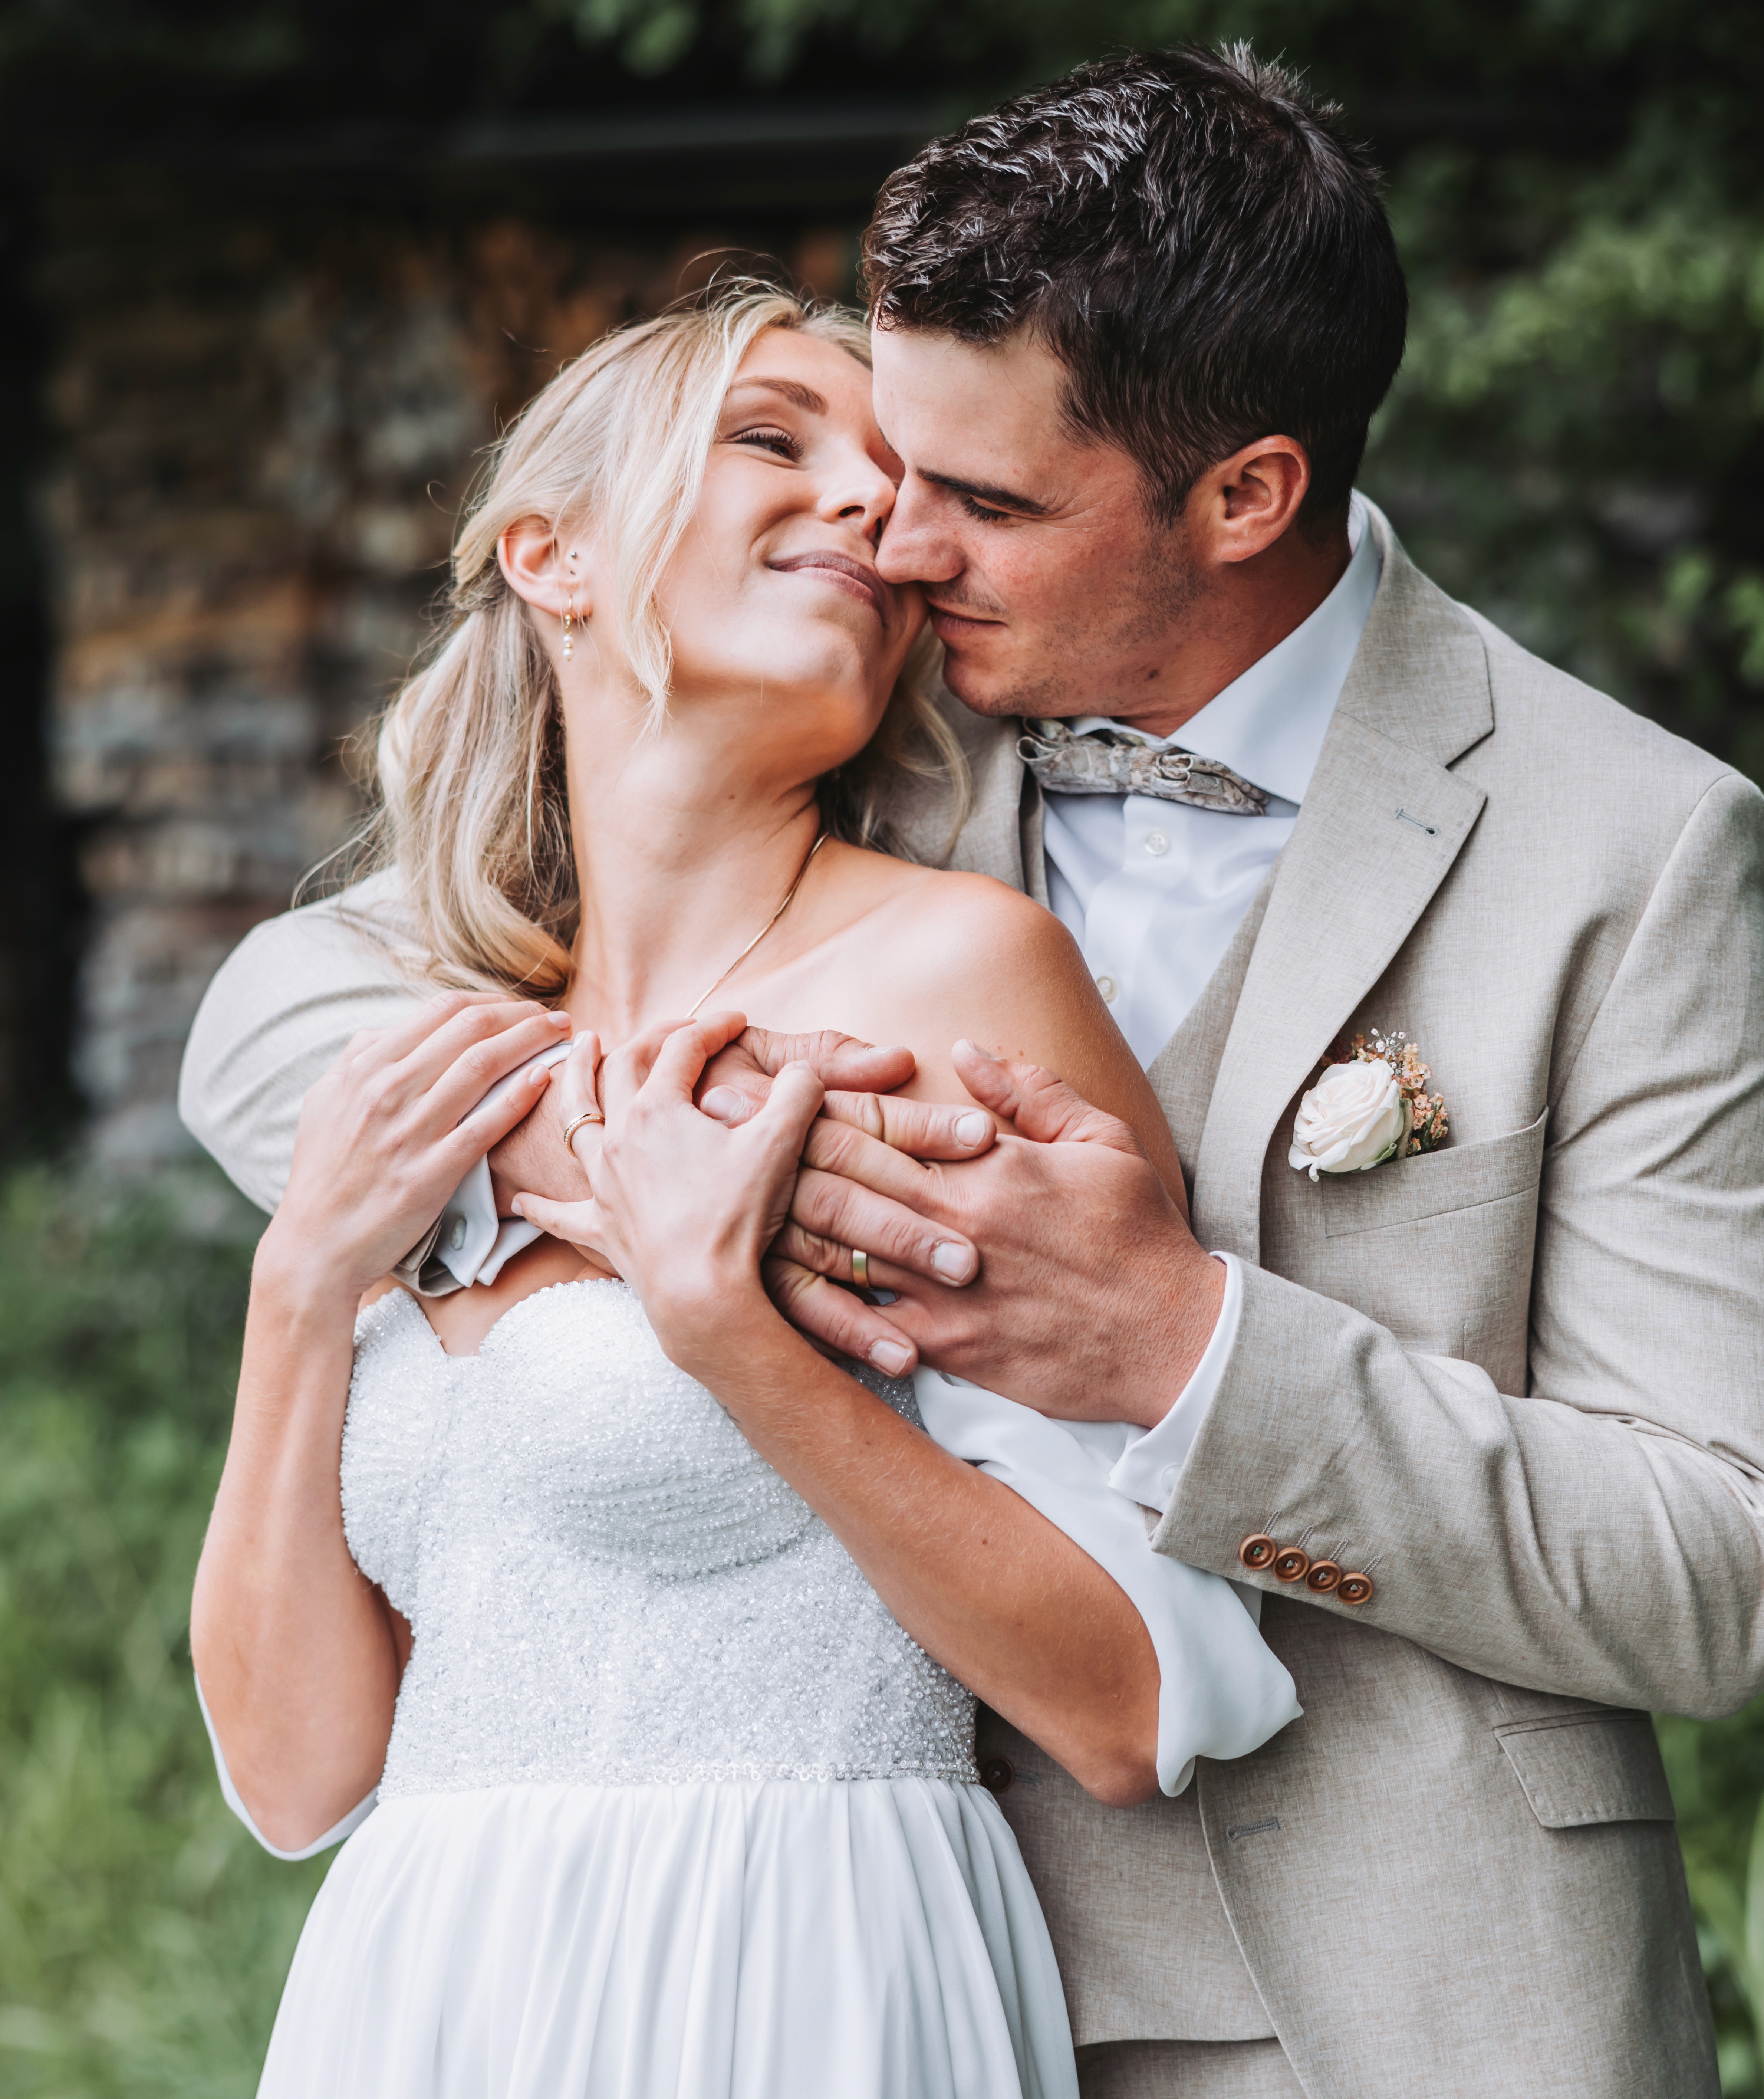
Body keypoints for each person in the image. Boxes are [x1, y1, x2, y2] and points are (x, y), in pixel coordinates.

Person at [187, 44, 1764, 2099]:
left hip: (1405, 2010)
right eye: (878, 458)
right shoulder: (867, 719)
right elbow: (278, 1016)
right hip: (888, 1978)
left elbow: (1719, 1571)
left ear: (1244, 495)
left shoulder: (1620, 844)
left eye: (979, 499)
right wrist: (650, 1163)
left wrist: (1185, 1345)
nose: (892, 531)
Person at [188, 285, 1299, 2099]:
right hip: (429, 1989)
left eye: (897, 477)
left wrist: (728, 1330)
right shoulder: (435, 1060)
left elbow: (1129, 1698)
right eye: (772, 438)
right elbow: (301, 1774)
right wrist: (299, 1292)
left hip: (793, 1966)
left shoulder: (959, 980)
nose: (871, 500)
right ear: (550, 553)